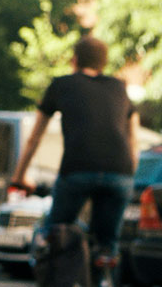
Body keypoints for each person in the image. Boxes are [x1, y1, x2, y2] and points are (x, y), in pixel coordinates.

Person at [11, 35, 140, 261]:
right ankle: (105, 265)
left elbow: (34, 138)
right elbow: (134, 139)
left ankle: (56, 262)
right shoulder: (120, 87)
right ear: (104, 63)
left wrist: (19, 177)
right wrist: (128, 175)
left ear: (75, 60)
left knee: (55, 234)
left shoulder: (61, 84)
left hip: (77, 169)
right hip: (120, 173)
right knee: (107, 243)